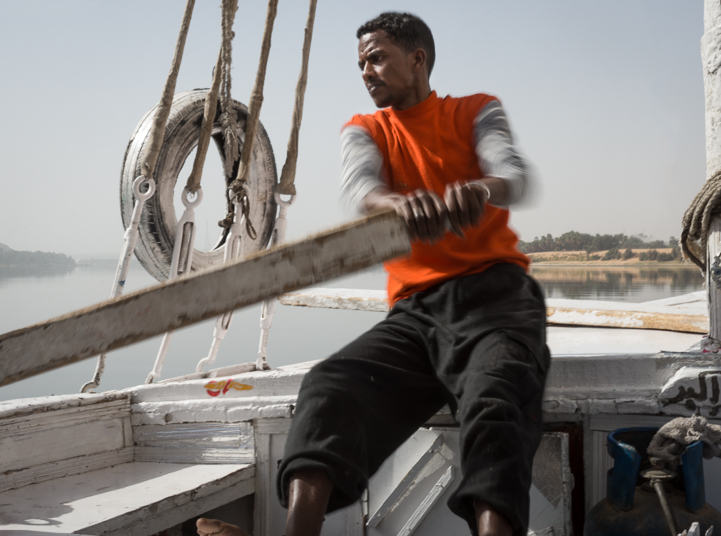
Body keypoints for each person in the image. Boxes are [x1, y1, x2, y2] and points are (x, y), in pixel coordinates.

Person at [197, 11, 549, 536]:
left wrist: (481, 189)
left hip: (497, 301)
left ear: (418, 59)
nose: (366, 71)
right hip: (415, 313)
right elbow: (362, 189)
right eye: (361, 63)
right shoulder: (364, 130)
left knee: (494, 404)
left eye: (377, 57)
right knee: (328, 387)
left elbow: (512, 174)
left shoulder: (477, 110)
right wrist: (397, 205)